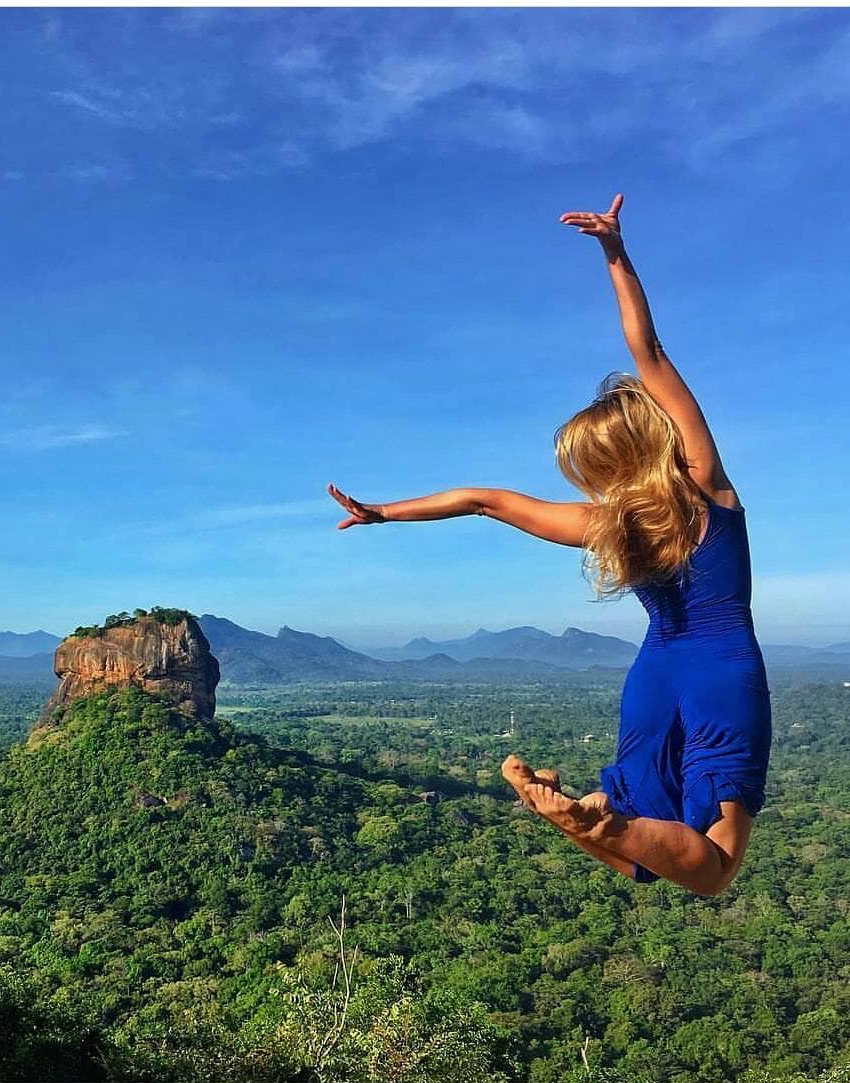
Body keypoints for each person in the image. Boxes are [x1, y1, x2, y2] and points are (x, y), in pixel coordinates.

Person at [326, 193, 771, 897]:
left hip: (652, 675)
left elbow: (484, 501)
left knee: (643, 831)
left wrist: (384, 512)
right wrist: (616, 252)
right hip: (723, 670)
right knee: (715, 866)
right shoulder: (706, 487)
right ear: (652, 434)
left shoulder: (609, 525)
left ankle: (594, 822)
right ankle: (603, 824)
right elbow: (646, 350)